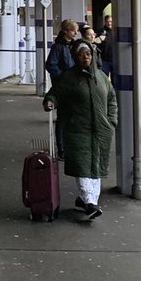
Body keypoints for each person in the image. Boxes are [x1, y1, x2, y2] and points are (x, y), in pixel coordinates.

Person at [45, 40, 117, 221]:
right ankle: (90, 203)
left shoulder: (101, 77)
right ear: (75, 57)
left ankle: (86, 200)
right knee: (83, 165)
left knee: (96, 167)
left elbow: (111, 100)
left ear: (92, 56)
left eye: (88, 54)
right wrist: (50, 101)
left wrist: (111, 122)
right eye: (80, 55)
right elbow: (55, 93)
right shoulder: (69, 78)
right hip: (77, 129)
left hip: (101, 131)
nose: (85, 57)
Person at [44, 19, 78, 158]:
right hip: (63, 86)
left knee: (71, 117)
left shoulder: (74, 46)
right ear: (66, 31)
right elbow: (50, 65)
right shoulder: (58, 47)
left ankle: (68, 147)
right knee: (63, 118)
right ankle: (62, 149)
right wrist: (64, 77)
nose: (76, 33)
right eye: (73, 30)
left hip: (73, 85)